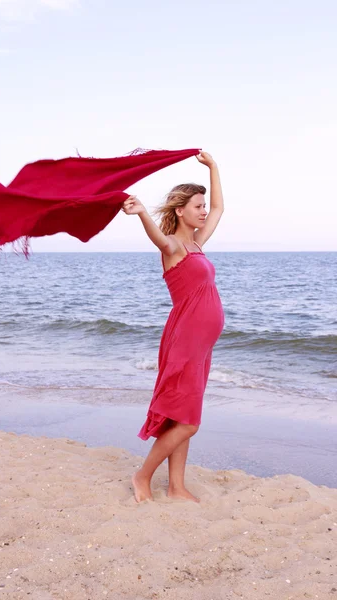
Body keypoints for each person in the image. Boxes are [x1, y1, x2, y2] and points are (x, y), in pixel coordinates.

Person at [122, 150, 225, 503]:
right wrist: (141, 216)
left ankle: (177, 487)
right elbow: (159, 238)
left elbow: (221, 210)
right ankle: (142, 475)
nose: (204, 210)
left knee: (183, 416)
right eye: (198, 205)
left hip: (200, 344)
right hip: (185, 341)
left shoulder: (197, 245)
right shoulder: (174, 248)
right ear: (181, 210)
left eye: (204, 205)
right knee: (189, 421)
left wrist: (213, 167)